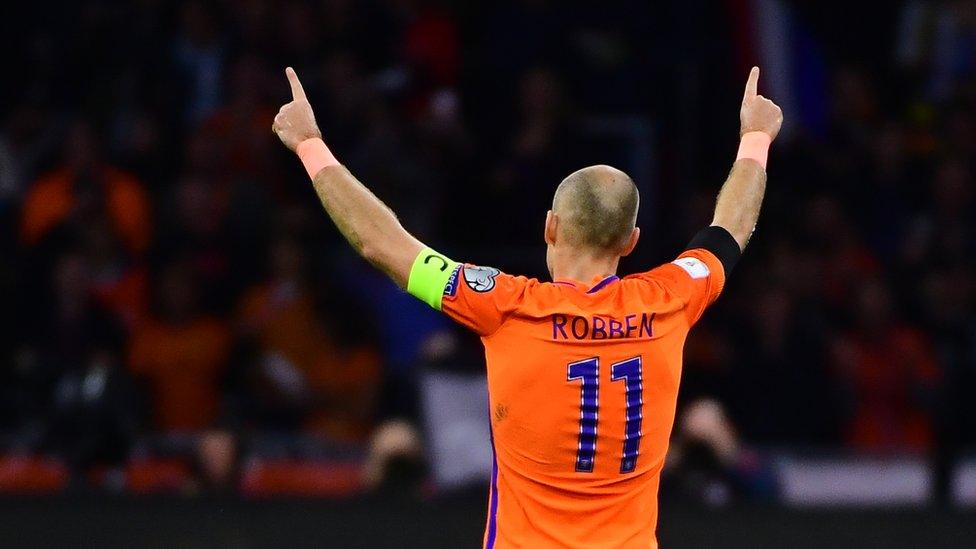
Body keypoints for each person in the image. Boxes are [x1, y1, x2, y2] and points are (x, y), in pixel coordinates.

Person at [273, 66, 782, 548]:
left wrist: (310, 145)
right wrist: (755, 137)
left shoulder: (504, 306)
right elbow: (730, 230)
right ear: (631, 241)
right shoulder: (672, 299)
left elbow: (382, 245)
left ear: (550, 227)